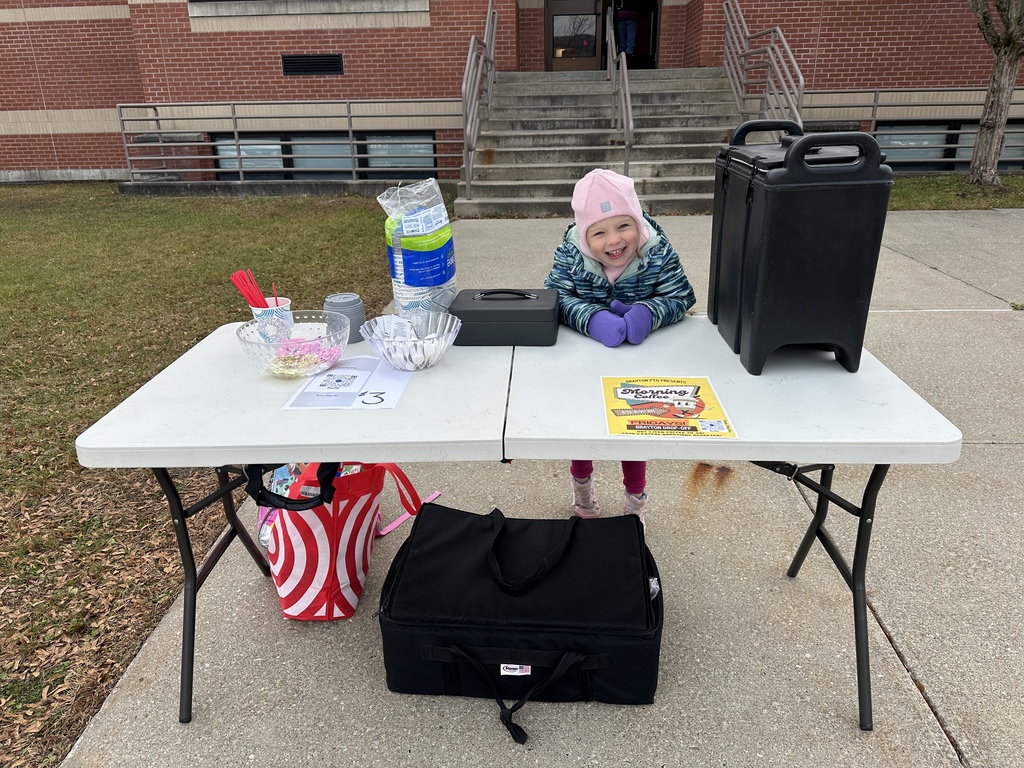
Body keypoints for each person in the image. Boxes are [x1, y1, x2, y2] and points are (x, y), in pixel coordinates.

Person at [543, 168, 696, 526]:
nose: (614, 241)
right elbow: (554, 297)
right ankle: (583, 497)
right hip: (581, 364)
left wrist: (647, 313)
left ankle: (634, 507)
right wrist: (592, 319)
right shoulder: (571, 255)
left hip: (639, 367)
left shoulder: (656, 251)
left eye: (623, 226)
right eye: (599, 232)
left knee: (635, 428)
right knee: (581, 428)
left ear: (638, 222)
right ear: (584, 235)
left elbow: (681, 295)